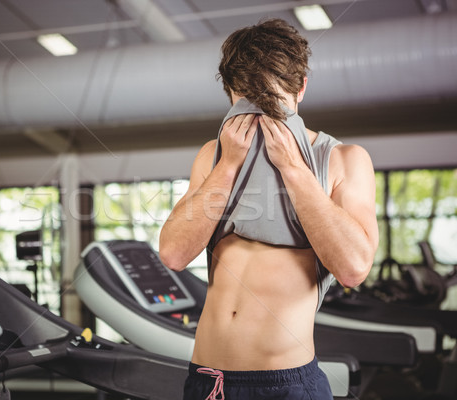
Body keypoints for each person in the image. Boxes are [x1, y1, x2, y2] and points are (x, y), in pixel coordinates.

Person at [159, 18, 379, 400]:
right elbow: (174, 254)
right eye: (246, 102)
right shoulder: (212, 157)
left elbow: (353, 269)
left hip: (286, 385)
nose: (258, 117)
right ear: (229, 94)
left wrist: (293, 168)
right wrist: (228, 166)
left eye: (270, 104)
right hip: (208, 380)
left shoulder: (343, 160)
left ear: (300, 90)